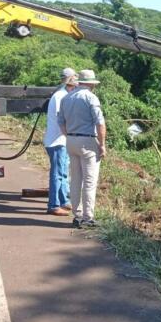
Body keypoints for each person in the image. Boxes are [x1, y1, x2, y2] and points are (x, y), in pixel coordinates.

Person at [57, 69, 107, 228]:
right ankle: (87, 217)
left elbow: (61, 122)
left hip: (71, 140)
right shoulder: (91, 98)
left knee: (75, 180)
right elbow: (100, 124)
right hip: (88, 141)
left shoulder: (66, 97)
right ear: (91, 84)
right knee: (89, 181)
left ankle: (77, 215)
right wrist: (102, 145)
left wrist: (69, 136)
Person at [43, 68, 78, 216]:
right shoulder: (60, 96)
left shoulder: (65, 95)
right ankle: (53, 205)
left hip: (61, 140)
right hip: (56, 141)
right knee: (57, 174)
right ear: (70, 81)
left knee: (63, 172)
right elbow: (61, 120)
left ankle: (64, 201)